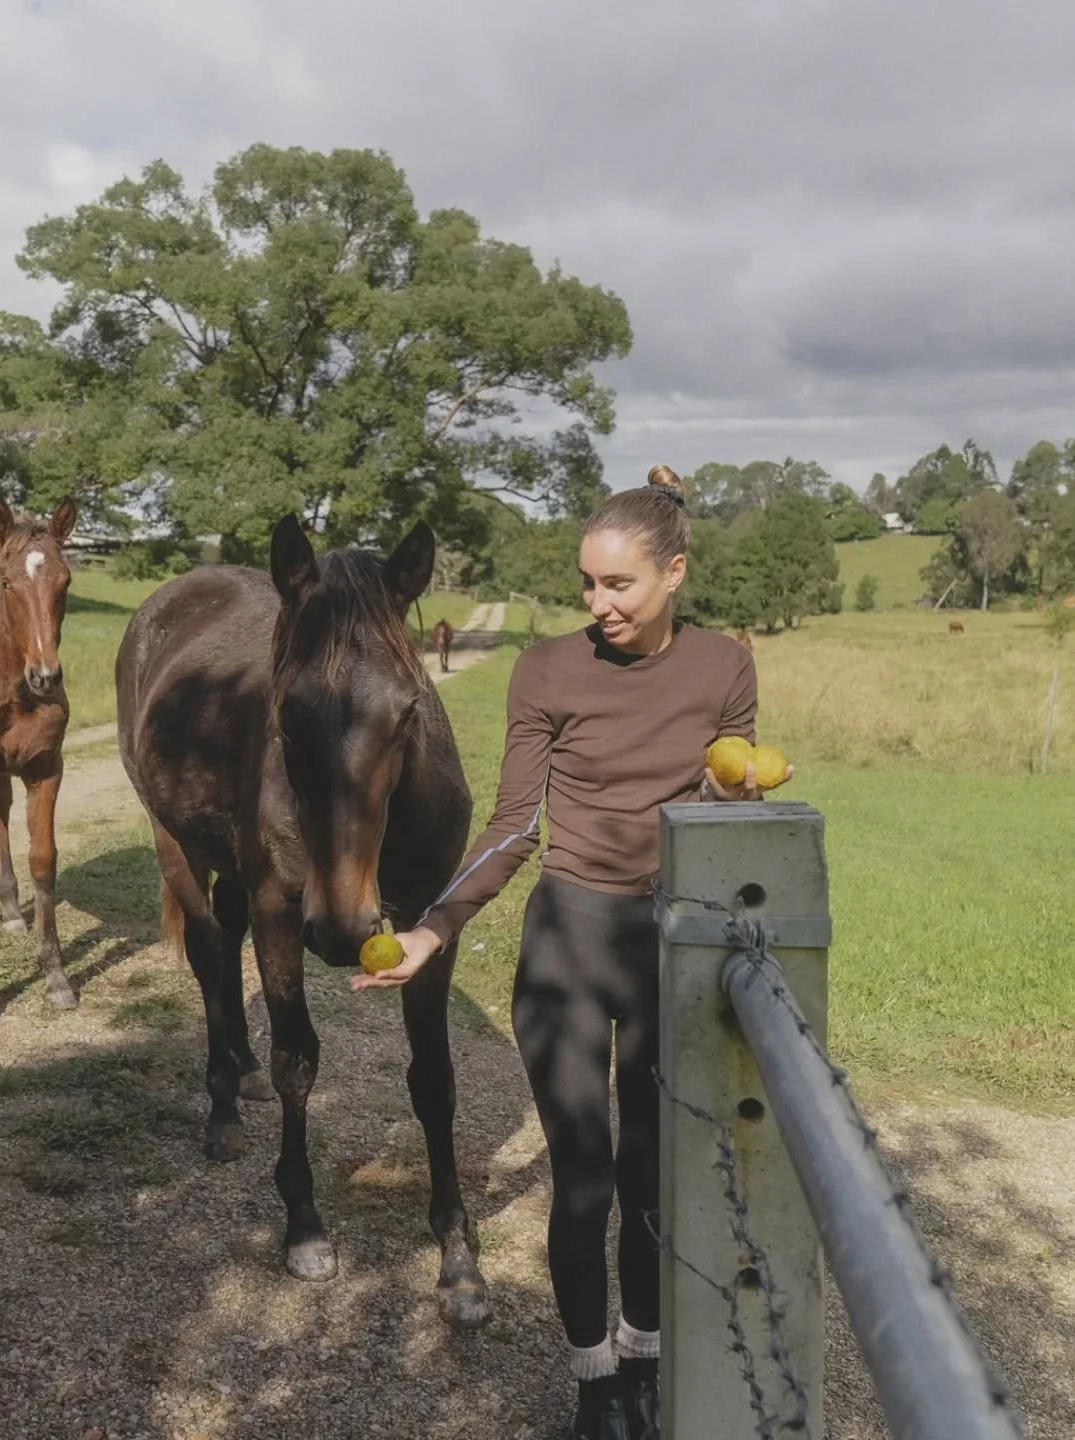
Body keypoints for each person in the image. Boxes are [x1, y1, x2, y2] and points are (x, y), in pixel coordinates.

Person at [351, 465, 792, 1440]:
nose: (599, 605)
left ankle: (642, 1357)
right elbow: (514, 826)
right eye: (587, 585)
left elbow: (724, 798)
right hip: (570, 941)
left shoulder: (725, 665)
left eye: (620, 585)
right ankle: (594, 1380)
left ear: (674, 573)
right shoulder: (547, 670)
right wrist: (433, 927)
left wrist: (734, 794)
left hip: (667, 945)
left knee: (648, 1174)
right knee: (585, 1173)